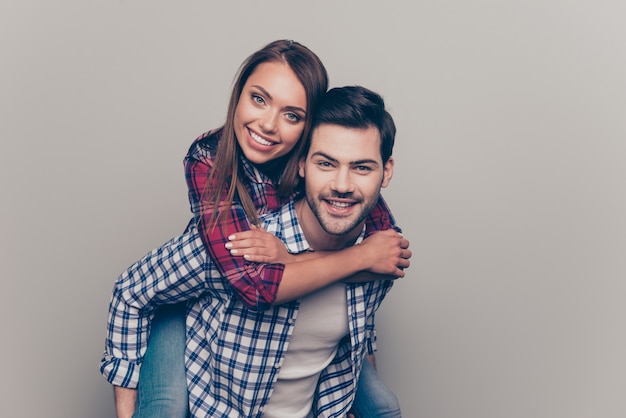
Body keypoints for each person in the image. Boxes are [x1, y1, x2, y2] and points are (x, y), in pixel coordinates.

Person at [100, 40, 406, 417]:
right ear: (304, 163)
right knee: (165, 407)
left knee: (384, 408)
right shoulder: (220, 186)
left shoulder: (362, 222)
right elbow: (255, 284)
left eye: (292, 115)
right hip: (189, 304)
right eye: (259, 100)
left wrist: (343, 254)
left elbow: (365, 304)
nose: (268, 124)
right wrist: (337, 257)